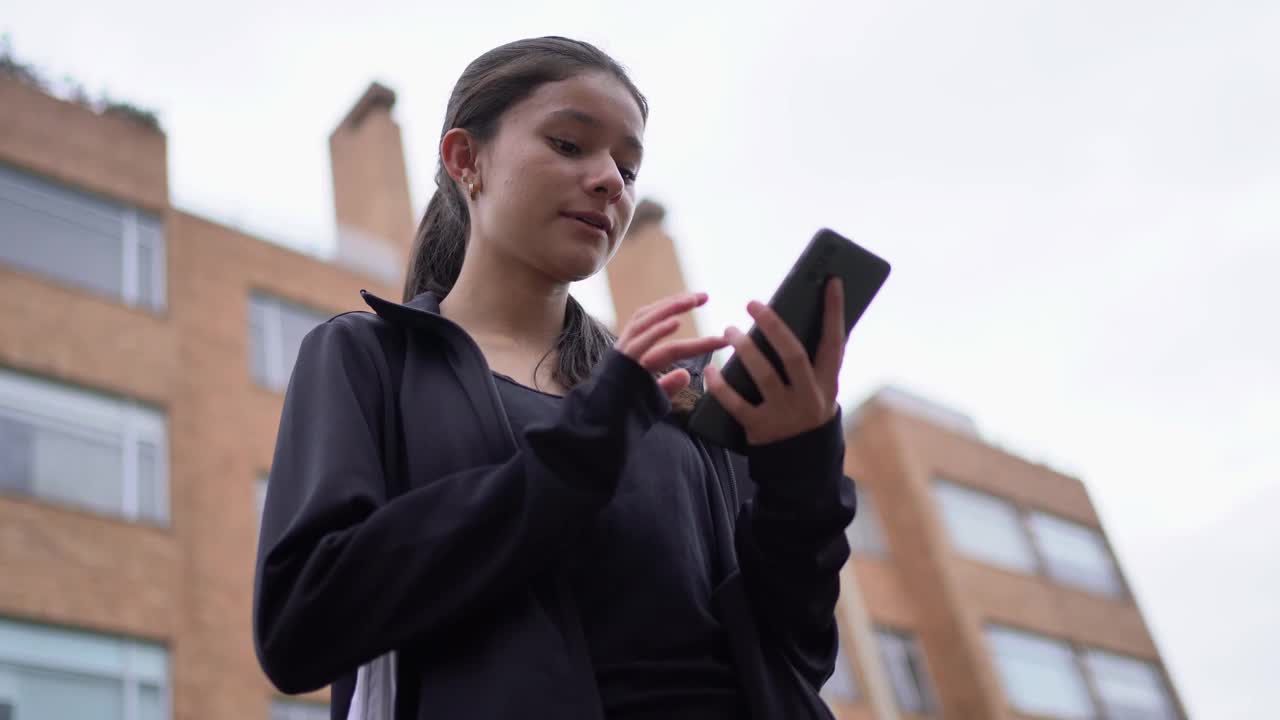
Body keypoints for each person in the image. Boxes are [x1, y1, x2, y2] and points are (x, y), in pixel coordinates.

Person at [253, 36, 857, 720]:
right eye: (570, 144)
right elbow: (301, 624)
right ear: (465, 159)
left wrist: (800, 468)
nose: (609, 181)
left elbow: (794, 655)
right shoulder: (371, 359)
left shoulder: (679, 396)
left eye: (628, 169)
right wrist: (585, 447)